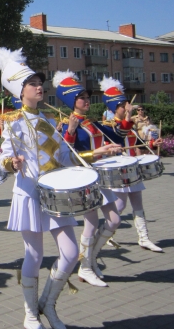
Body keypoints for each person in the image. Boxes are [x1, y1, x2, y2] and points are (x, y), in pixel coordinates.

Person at [0, 48, 119, 329]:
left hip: (56, 195)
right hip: (29, 194)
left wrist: (97, 154)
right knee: (35, 256)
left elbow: (66, 156)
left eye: (40, 83)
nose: (40, 87)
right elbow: (2, 158)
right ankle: (29, 312)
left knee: (72, 253)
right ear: (19, 90)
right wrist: (12, 163)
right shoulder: (13, 123)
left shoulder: (50, 122)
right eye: (33, 84)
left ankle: (48, 304)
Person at [54, 71, 123, 287]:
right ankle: (84, 268)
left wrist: (112, 145)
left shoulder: (92, 123)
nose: (86, 101)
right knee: (92, 223)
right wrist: (72, 131)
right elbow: (68, 155)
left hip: (101, 176)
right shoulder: (67, 124)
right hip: (85, 178)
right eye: (82, 97)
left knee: (114, 220)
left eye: (87, 97)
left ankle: (91, 258)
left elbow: (119, 136)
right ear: (72, 101)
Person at [100, 77, 164, 253]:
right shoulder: (108, 125)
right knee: (119, 207)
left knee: (138, 205)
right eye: (123, 106)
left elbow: (137, 145)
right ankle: (105, 235)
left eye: (127, 105)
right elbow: (118, 136)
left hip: (132, 170)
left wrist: (152, 145)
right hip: (119, 171)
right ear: (115, 108)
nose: (127, 108)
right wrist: (128, 117)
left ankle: (144, 238)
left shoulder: (131, 126)